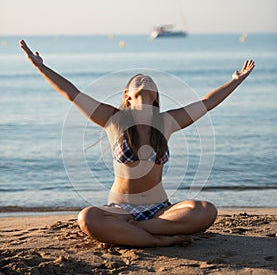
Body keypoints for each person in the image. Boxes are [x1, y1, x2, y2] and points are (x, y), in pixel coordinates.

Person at [20, 40, 255, 247]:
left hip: (160, 210)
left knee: (205, 210)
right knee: (87, 218)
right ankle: (156, 240)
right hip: (121, 211)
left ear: (155, 96)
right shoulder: (114, 120)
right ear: (127, 95)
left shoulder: (166, 122)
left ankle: (136, 233)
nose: (144, 78)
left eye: (149, 80)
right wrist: (41, 67)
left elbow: (206, 103)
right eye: (137, 80)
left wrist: (235, 81)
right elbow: (72, 93)